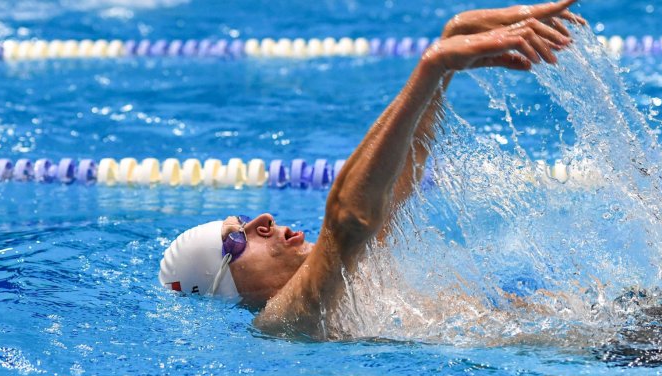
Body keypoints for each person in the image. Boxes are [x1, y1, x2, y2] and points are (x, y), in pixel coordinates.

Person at [159, 0, 587, 338]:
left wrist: (453, 39)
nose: (264, 220)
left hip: (603, 325)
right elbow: (349, 219)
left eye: (247, 219)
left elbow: (403, 169)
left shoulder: (351, 281)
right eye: (237, 237)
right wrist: (432, 65)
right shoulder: (284, 321)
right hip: (607, 352)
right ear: (224, 285)